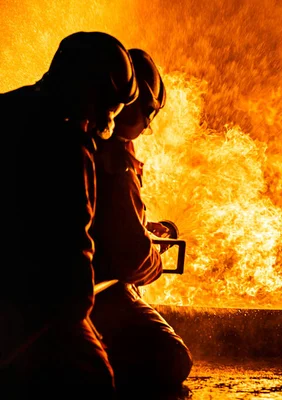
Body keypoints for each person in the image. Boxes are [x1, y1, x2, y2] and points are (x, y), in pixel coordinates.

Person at [0, 32, 138, 399]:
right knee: (93, 378)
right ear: (93, 93)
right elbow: (71, 268)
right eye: (109, 108)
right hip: (30, 310)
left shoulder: (8, 108)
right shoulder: (67, 144)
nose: (105, 121)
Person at [89, 48, 193, 397]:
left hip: (66, 283)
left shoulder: (73, 138)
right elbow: (131, 258)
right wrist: (155, 256)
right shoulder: (113, 157)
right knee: (171, 358)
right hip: (86, 293)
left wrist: (144, 229)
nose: (148, 124)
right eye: (148, 113)